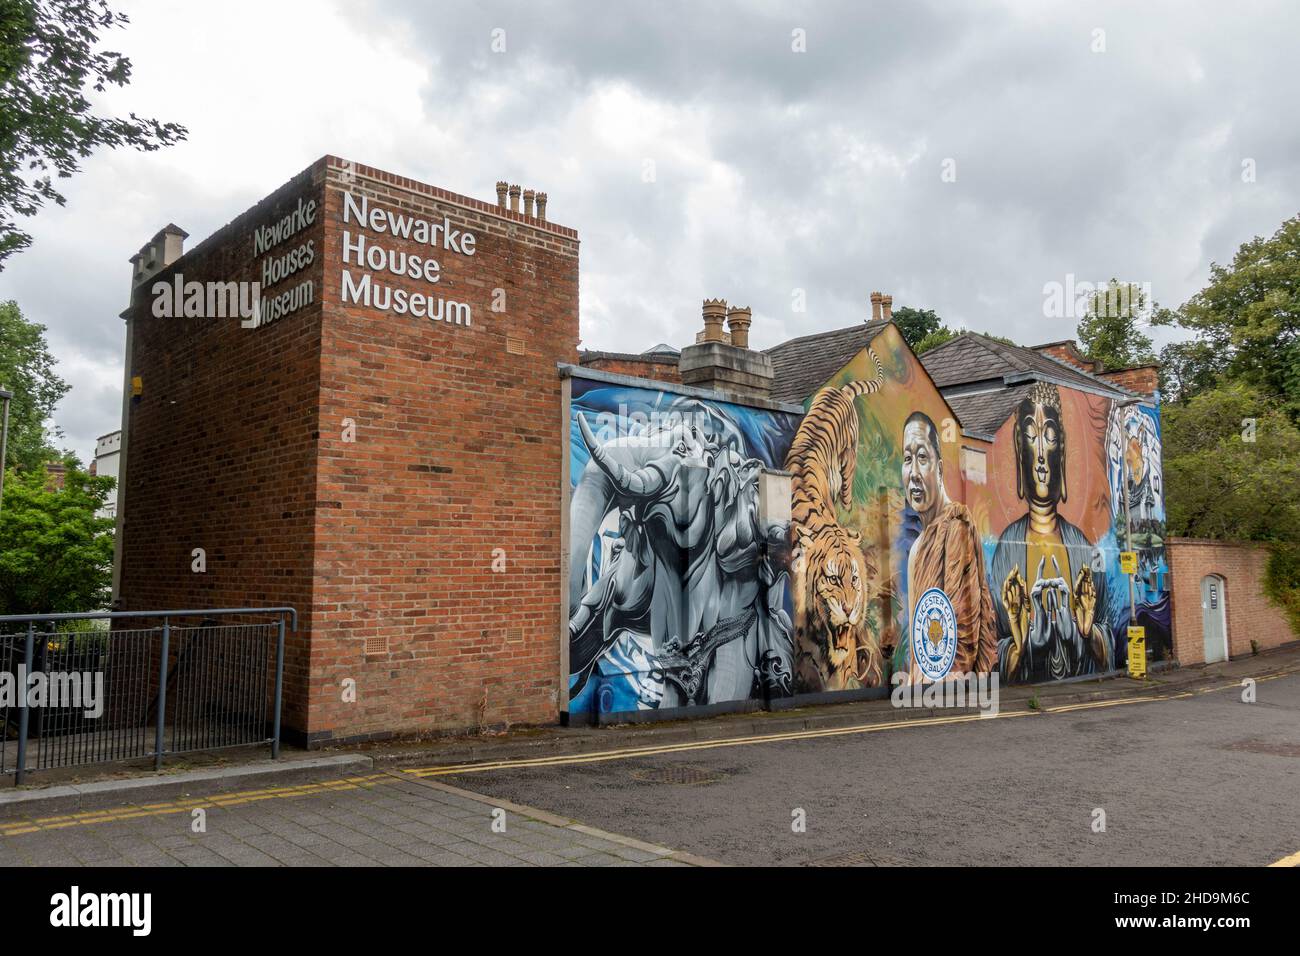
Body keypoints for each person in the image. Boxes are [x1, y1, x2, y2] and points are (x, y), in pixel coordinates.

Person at [988, 382, 1113, 682]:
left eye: (1051, 437)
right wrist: (1019, 645)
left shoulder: (1083, 547)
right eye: (1032, 438)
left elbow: (1107, 636)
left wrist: (1087, 632)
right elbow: (994, 644)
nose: (1042, 456)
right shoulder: (1007, 547)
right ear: (1020, 451)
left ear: (1063, 452)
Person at [900, 411, 998, 679]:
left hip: (951, 683)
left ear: (940, 468)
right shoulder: (918, 548)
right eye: (908, 459)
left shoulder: (957, 527)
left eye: (923, 458)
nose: (914, 473)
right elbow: (917, 643)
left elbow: (963, 630)